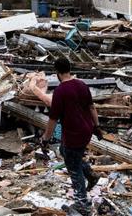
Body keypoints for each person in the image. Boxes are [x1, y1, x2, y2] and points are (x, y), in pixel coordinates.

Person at [41, 58, 101, 215]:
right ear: (69, 69)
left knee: (73, 168)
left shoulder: (60, 91)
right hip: (86, 130)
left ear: (57, 73)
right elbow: (92, 107)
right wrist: (97, 126)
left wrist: (45, 139)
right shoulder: (81, 84)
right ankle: (91, 175)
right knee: (67, 152)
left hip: (74, 133)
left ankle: (82, 203)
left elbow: (53, 119)